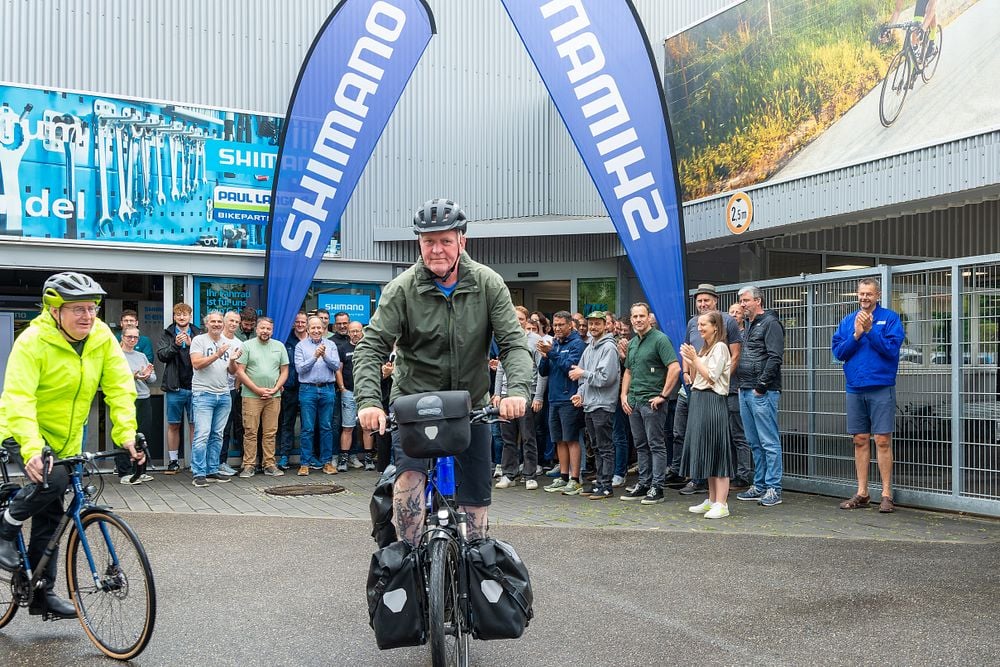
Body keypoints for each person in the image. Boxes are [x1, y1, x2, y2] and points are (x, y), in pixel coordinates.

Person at [355, 198, 532, 546]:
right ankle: (408, 558)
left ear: (462, 241)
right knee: (409, 482)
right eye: (428, 241)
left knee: (476, 504)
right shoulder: (402, 289)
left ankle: (474, 561)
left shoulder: (487, 283)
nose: (436, 250)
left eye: (445, 241)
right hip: (415, 404)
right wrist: (369, 402)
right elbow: (370, 346)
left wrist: (517, 393)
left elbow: (514, 345)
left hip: (471, 407)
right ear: (419, 243)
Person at [0, 272, 144, 619]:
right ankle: (5, 527)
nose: (87, 315)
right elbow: (18, 398)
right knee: (57, 480)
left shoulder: (101, 339)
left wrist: (126, 433)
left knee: (52, 514)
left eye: (92, 308)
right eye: (76, 308)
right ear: (54, 310)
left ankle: (40, 594)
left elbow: (120, 387)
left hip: (66, 438)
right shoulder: (33, 341)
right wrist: (33, 448)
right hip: (22, 429)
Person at [832, 278, 905, 513]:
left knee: (882, 440)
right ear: (857, 295)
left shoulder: (890, 318)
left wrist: (871, 331)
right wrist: (856, 335)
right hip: (855, 387)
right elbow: (839, 353)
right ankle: (862, 493)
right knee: (860, 440)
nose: (865, 298)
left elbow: (891, 350)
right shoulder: (847, 321)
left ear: (878, 295)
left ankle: (886, 494)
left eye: (869, 294)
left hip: (881, 386)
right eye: (861, 294)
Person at [675, 284, 747, 495]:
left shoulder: (722, 341)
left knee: (721, 446)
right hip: (698, 394)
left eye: (704, 325)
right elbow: (693, 362)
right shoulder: (703, 343)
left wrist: (722, 379)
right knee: (703, 445)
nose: (699, 328)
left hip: (716, 397)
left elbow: (716, 372)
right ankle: (709, 493)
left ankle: (726, 494)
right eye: (699, 301)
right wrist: (688, 371)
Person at [619, 302, 681, 505]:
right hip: (634, 401)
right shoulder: (634, 342)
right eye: (634, 316)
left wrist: (663, 395)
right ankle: (644, 484)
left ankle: (658, 487)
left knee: (656, 444)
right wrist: (623, 395)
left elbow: (674, 368)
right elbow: (628, 371)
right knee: (640, 445)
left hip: (652, 402)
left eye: (641, 316)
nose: (638, 320)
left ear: (649, 318)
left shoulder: (660, 340)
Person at [734, 286, 786, 507]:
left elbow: (775, 357)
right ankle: (760, 485)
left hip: (761, 391)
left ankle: (774, 488)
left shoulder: (770, 324)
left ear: (758, 301)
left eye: (746, 300)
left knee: (768, 441)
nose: (743, 304)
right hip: (745, 389)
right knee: (754, 442)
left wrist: (761, 386)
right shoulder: (747, 327)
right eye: (741, 301)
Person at [680, 312, 733, 519]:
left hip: (713, 400)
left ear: (715, 327)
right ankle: (712, 500)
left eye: (703, 325)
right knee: (708, 449)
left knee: (717, 450)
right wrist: (692, 362)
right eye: (698, 324)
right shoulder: (704, 348)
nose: (699, 328)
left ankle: (722, 503)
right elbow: (695, 378)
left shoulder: (720, 347)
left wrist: (694, 359)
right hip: (700, 400)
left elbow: (711, 377)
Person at [494, 306, 547, 490]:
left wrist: (538, 396)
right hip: (506, 396)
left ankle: (530, 475)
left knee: (528, 437)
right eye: (514, 318)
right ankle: (509, 474)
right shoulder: (505, 338)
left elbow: (541, 371)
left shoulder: (536, 341)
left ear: (527, 321)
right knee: (507, 437)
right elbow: (500, 369)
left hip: (526, 395)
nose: (518, 322)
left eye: (522, 319)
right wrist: (497, 394)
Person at [570, 311, 620, 500]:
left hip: (603, 405)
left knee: (605, 446)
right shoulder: (589, 347)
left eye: (597, 324)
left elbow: (606, 379)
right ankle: (599, 481)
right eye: (590, 324)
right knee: (596, 447)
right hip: (589, 404)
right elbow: (582, 378)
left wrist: (583, 374)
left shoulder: (609, 348)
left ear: (605, 325)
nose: (593, 327)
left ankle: (606, 486)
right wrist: (580, 394)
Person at [538, 311, 587, 495]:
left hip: (570, 398)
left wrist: (551, 354)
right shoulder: (554, 344)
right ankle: (564, 476)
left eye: (560, 325)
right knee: (558, 439)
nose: (557, 328)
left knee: (571, 439)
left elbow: (570, 367)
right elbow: (543, 372)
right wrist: (544, 356)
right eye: (555, 325)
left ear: (570, 325)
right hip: (554, 398)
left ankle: (575, 479)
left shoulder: (577, 344)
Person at [234, 317, 288, 478]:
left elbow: (284, 371)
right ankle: (249, 465)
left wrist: (276, 388)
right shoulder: (247, 346)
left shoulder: (279, 346)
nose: (265, 331)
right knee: (250, 431)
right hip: (251, 396)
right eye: (262, 328)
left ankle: (269, 464)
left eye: (268, 329)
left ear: (272, 330)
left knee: (270, 432)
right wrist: (257, 389)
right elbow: (240, 371)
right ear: (257, 329)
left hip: (274, 396)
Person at [188, 311, 235, 488]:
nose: (216, 324)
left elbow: (231, 371)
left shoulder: (227, 342)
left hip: (223, 394)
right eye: (213, 321)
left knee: (217, 435)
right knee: (202, 434)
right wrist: (217, 354)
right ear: (206, 324)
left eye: (219, 322)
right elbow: (197, 364)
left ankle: (212, 470)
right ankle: (199, 473)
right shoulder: (199, 340)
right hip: (203, 394)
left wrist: (233, 360)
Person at [295, 315, 341, 476]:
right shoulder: (301, 346)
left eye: (319, 327)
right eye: (313, 327)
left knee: (326, 427)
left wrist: (324, 355)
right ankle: (305, 463)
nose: (316, 330)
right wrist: (315, 356)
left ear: (324, 329)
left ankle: (327, 462)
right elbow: (300, 369)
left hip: (328, 389)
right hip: (308, 389)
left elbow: (336, 366)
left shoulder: (331, 344)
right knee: (307, 428)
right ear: (308, 329)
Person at [157, 303, 200, 473]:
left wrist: (191, 346)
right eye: (178, 315)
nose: (181, 318)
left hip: (195, 387)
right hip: (175, 387)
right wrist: (175, 345)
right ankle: (173, 461)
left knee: (194, 425)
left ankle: (196, 461)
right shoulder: (167, 334)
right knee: (173, 425)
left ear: (190, 316)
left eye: (185, 315)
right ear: (174, 317)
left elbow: (203, 358)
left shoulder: (198, 334)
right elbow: (161, 356)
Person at [116, 326, 156, 485]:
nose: (132, 340)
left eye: (135, 338)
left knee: (143, 434)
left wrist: (146, 375)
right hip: (125, 398)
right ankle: (124, 472)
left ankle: (141, 470)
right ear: (122, 337)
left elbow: (152, 378)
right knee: (124, 434)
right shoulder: (117, 355)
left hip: (143, 397)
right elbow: (115, 377)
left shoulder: (141, 356)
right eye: (129, 337)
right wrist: (133, 375)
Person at [334, 320, 375, 472]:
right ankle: (344, 459)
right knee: (348, 427)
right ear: (349, 332)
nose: (355, 333)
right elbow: (338, 369)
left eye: (358, 331)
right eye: (352, 331)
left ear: (362, 331)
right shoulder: (343, 348)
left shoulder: (369, 348)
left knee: (367, 427)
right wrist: (342, 388)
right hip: (349, 393)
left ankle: (369, 459)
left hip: (367, 394)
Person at [278, 310, 309, 470]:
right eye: (297, 322)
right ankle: (284, 456)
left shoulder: (312, 340)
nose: (300, 324)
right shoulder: (285, 340)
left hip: (307, 387)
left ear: (307, 323)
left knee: (308, 425)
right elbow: (279, 363)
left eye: (303, 322)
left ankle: (307, 457)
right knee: (287, 422)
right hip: (289, 387)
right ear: (293, 323)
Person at [218, 310, 244, 476]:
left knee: (226, 429)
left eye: (236, 321)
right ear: (224, 322)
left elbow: (239, 369)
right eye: (231, 321)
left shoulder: (239, 344)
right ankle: (208, 463)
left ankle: (221, 462)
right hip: (211, 389)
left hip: (229, 390)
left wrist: (236, 385)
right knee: (212, 429)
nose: (233, 324)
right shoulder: (214, 339)